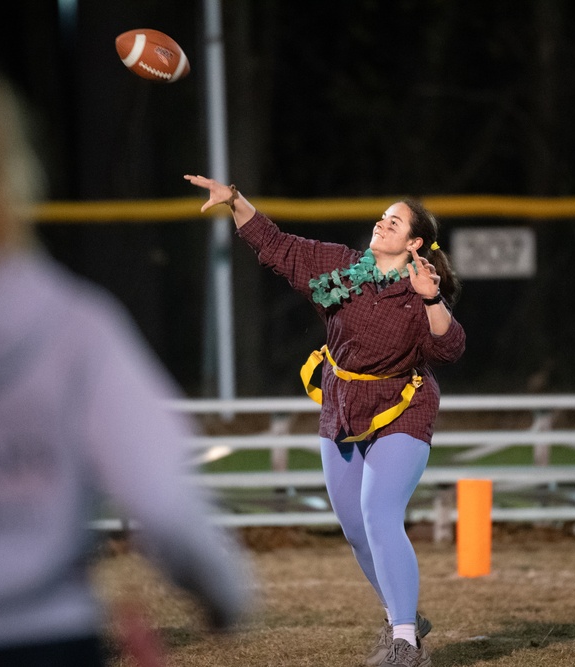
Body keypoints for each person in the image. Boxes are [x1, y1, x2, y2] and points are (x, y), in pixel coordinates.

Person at [0, 65, 254, 665]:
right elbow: (165, 503)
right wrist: (225, 598)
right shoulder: (76, 326)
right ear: (17, 174)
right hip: (44, 635)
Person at [185, 174, 466, 667]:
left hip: (402, 408)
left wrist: (431, 299)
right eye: (383, 217)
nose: (382, 224)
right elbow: (278, 247)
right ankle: (402, 615)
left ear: (415, 243)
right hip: (342, 404)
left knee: (379, 513)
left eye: (395, 222)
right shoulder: (342, 267)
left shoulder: (420, 289)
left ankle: (405, 642)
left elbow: (450, 348)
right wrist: (234, 200)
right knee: (355, 527)